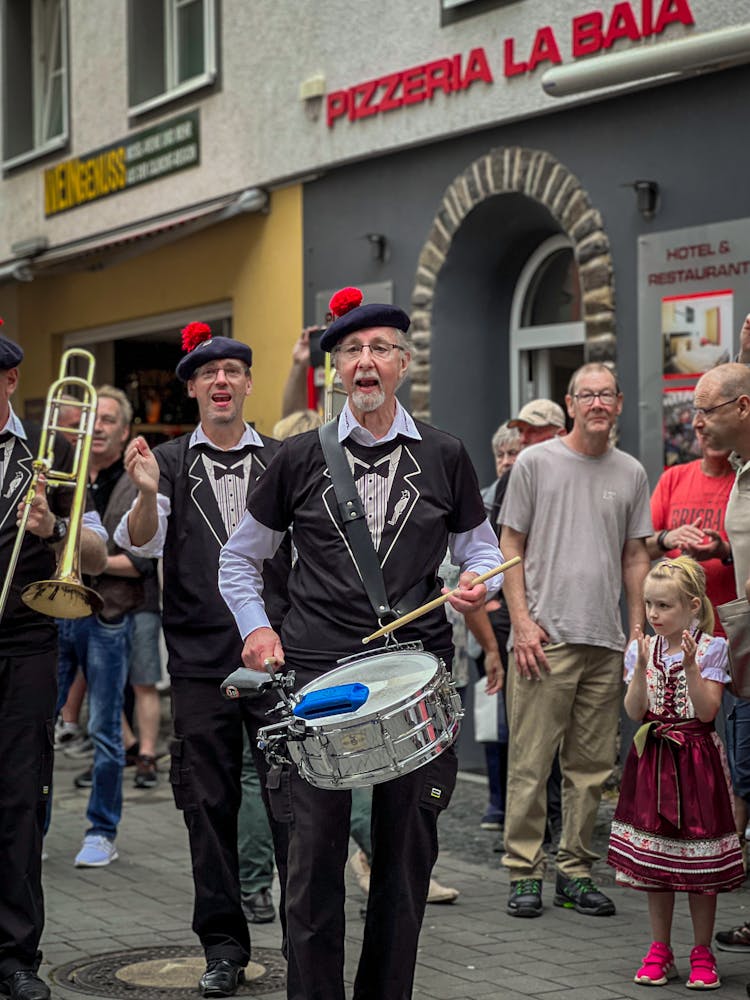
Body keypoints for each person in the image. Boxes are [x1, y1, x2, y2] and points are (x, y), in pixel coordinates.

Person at [218, 286, 503, 1000]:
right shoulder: (297, 458)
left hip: (416, 678)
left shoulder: (445, 454)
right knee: (312, 866)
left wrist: (477, 585)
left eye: (380, 349)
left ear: (403, 363)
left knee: (406, 864)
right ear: (337, 370)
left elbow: (483, 552)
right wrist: (256, 628)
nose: (365, 362)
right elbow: (238, 558)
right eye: (351, 351)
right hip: (319, 678)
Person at [115, 322, 290, 999]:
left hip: (277, 656)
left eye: (233, 371)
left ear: (246, 383)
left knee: (292, 802)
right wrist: (144, 489)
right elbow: (146, 544)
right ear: (191, 387)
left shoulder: (283, 458)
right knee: (207, 805)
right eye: (208, 372)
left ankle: (305, 937)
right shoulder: (163, 460)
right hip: (197, 661)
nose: (221, 381)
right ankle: (223, 946)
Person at [500, 363, 652, 918]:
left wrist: (636, 633)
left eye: (606, 394)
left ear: (617, 404)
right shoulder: (537, 463)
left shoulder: (631, 471)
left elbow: (637, 555)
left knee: (590, 768)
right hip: (545, 637)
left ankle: (575, 870)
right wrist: (521, 622)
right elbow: (509, 542)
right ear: (570, 403)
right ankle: (523, 870)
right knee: (531, 761)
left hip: (605, 641)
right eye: (586, 394)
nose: (596, 404)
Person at [0, 331, 107, 1000]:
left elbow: (94, 554)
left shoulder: (55, 451)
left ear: (9, 382)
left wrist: (50, 532)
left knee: (18, 800)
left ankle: (15, 956)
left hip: (26, 642)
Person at [607, 557, 744, 989]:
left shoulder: (711, 649)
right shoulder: (641, 649)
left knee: (699, 863)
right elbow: (633, 712)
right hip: (653, 759)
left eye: (663, 606)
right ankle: (660, 948)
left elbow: (707, 711)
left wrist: (688, 667)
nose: (653, 614)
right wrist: (639, 671)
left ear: (692, 606)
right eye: (649, 605)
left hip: (697, 759)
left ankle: (702, 950)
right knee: (657, 861)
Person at [53, 387, 151, 867]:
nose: (99, 428)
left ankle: (101, 831)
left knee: (106, 729)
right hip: (54, 612)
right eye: (93, 419)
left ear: (125, 430)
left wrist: (84, 559)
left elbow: (139, 564)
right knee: (36, 728)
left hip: (108, 615)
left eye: (109, 420)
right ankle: (33, 829)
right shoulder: (61, 474)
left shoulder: (135, 482)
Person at [688, 363, 750, 959]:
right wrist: (723, 551)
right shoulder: (741, 470)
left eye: (708, 411)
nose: (697, 422)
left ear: (744, 409)